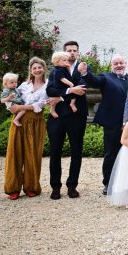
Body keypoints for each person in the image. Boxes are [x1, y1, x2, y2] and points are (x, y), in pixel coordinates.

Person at [79, 55, 128, 195]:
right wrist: (85, 73)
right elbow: (94, 81)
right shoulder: (105, 77)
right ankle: (108, 183)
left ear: (125, 63)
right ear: (111, 65)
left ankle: (126, 182)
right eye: (115, 63)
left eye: (121, 62)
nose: (119, 65)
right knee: (111, 154)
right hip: (112, 122)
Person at [46, 40, 88, 200]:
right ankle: (55, 187)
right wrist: (69, 91)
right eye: (68, 50)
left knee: (76, 151)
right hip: (57, 117)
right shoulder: (56, 70)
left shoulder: (83, 69)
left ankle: (72, 186)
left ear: (78, 52)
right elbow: (50, 90)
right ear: (64, 53)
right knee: (55, 151)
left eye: (74, 50)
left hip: (77, 117)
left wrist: (60, 95)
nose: (71, 53)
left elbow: (82, 90)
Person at [4, 58, 49, 200]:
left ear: (44, 69)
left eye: (39, 67)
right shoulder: (23, 85)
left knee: (33, 155)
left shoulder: (48, 86)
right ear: (31, 70)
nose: (37, 70)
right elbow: (12, 98)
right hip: (19, 121)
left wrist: (20, 107)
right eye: (34, 68)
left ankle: (31, 187)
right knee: (15, 153)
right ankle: (13, 188)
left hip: (36, 122)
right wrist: (11, 107)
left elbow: (40, 105)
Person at [48, 51, 78, 119]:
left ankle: (72, 103)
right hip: (59, 87)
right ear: (57, 62)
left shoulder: (64, 67)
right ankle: (52, 110)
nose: (66, 61)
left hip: (64, 86)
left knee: (74, 92)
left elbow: (69, 75)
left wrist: (68, 67)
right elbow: (62, 79)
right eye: (64, 60)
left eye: (67, 60)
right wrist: (69, 83)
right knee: (54, 101)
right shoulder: (57, 70)